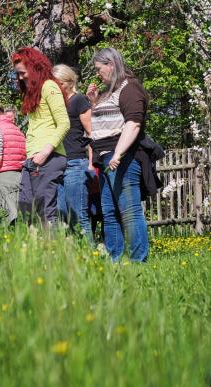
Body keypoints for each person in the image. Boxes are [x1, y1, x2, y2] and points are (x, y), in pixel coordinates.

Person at [87, 47, 149, 262]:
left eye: (99, 68)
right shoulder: (110, 93)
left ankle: (138, 261)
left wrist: (118, 154)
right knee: (109, 212)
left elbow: (133, 123)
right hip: (105, 157)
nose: (97, 73)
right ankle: (114, 260)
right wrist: (94, 102)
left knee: (129, 211)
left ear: (111, 65)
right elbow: (104, 124)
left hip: (121, 157)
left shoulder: (130, 88)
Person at [12, 47, 70, 224]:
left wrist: (45, 152)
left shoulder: (49, 86)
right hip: (32, 160)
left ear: (34, 67)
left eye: (22, 73)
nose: (21, 77)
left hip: (48, 158)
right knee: (26, 211)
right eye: (18, 74)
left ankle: (52, 250)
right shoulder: (34, 93)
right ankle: (35, 250)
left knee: (45, 211)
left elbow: (64, 123)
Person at [52, 64, 94, 241]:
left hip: (76, 163)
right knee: (63, 216)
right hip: (58, 165)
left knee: (78, 215)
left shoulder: (79, 101)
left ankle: (91, 259)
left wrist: (91, 163)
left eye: (58, 83)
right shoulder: (56, 104)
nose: (55, 87)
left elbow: (92, 133)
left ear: (68, 82)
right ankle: (73, 261)